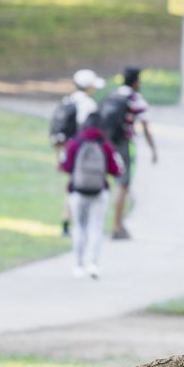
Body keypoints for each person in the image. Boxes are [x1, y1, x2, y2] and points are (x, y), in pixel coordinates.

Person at [59, 114, 123, 279]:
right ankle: (93, 264)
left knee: (79, 228)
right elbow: (115, 170)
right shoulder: (105, 145)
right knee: (96, 228)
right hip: (99, 192)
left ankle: (78, 265)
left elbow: (65, 166)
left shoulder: (75, 143)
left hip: (77, 191)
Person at [100, 66, 158, 240]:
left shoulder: (112, 96)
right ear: (136, 81)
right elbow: (145, 125)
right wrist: (153, 149)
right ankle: (117, 226)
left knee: (104, 185)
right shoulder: (135, 99)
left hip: (105, 145)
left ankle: (103, 224)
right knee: (123, 186)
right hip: (124, 145)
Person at [53, 69, 106, 237]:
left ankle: (67, 223)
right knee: (77, 185)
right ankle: (74, 224)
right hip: (78, 149)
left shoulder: (68, 100)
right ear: (88, 87)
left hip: (63, 147)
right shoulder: (88, 104)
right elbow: (87, 129)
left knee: (71, 184)